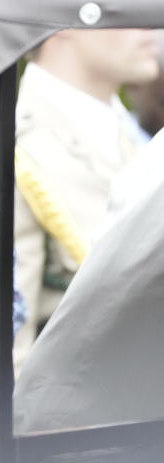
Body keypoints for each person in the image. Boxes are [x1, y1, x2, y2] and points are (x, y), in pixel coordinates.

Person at [12, 28, 159, 372]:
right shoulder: (21, 150)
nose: (147, 24)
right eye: (120, 5)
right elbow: (11, 356)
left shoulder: (129, 133)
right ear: (62, 22)